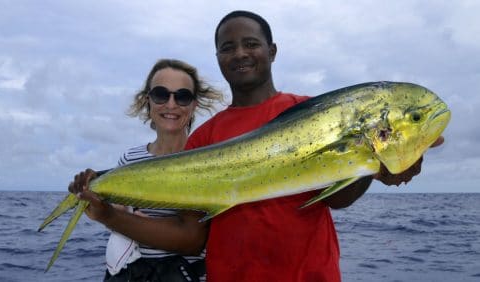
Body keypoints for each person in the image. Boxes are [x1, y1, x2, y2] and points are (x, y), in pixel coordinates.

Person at [183, 10, 445, 282]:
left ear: (272, 51)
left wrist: (373, 167)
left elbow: (338, 198)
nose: (239, 53)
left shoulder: (318, 115)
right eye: (228, 48)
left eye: (251, 44)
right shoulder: (203, 138)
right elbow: (190, 231)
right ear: (218, 59)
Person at [68, 58, 223, 281]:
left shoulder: (204, 159)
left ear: (194, 105)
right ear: (147, 100)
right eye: (161, 94)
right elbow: (122, 217)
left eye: (182, 96)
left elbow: (192, 240)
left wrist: (111, 216)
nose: (171, 104)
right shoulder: (130, 158)